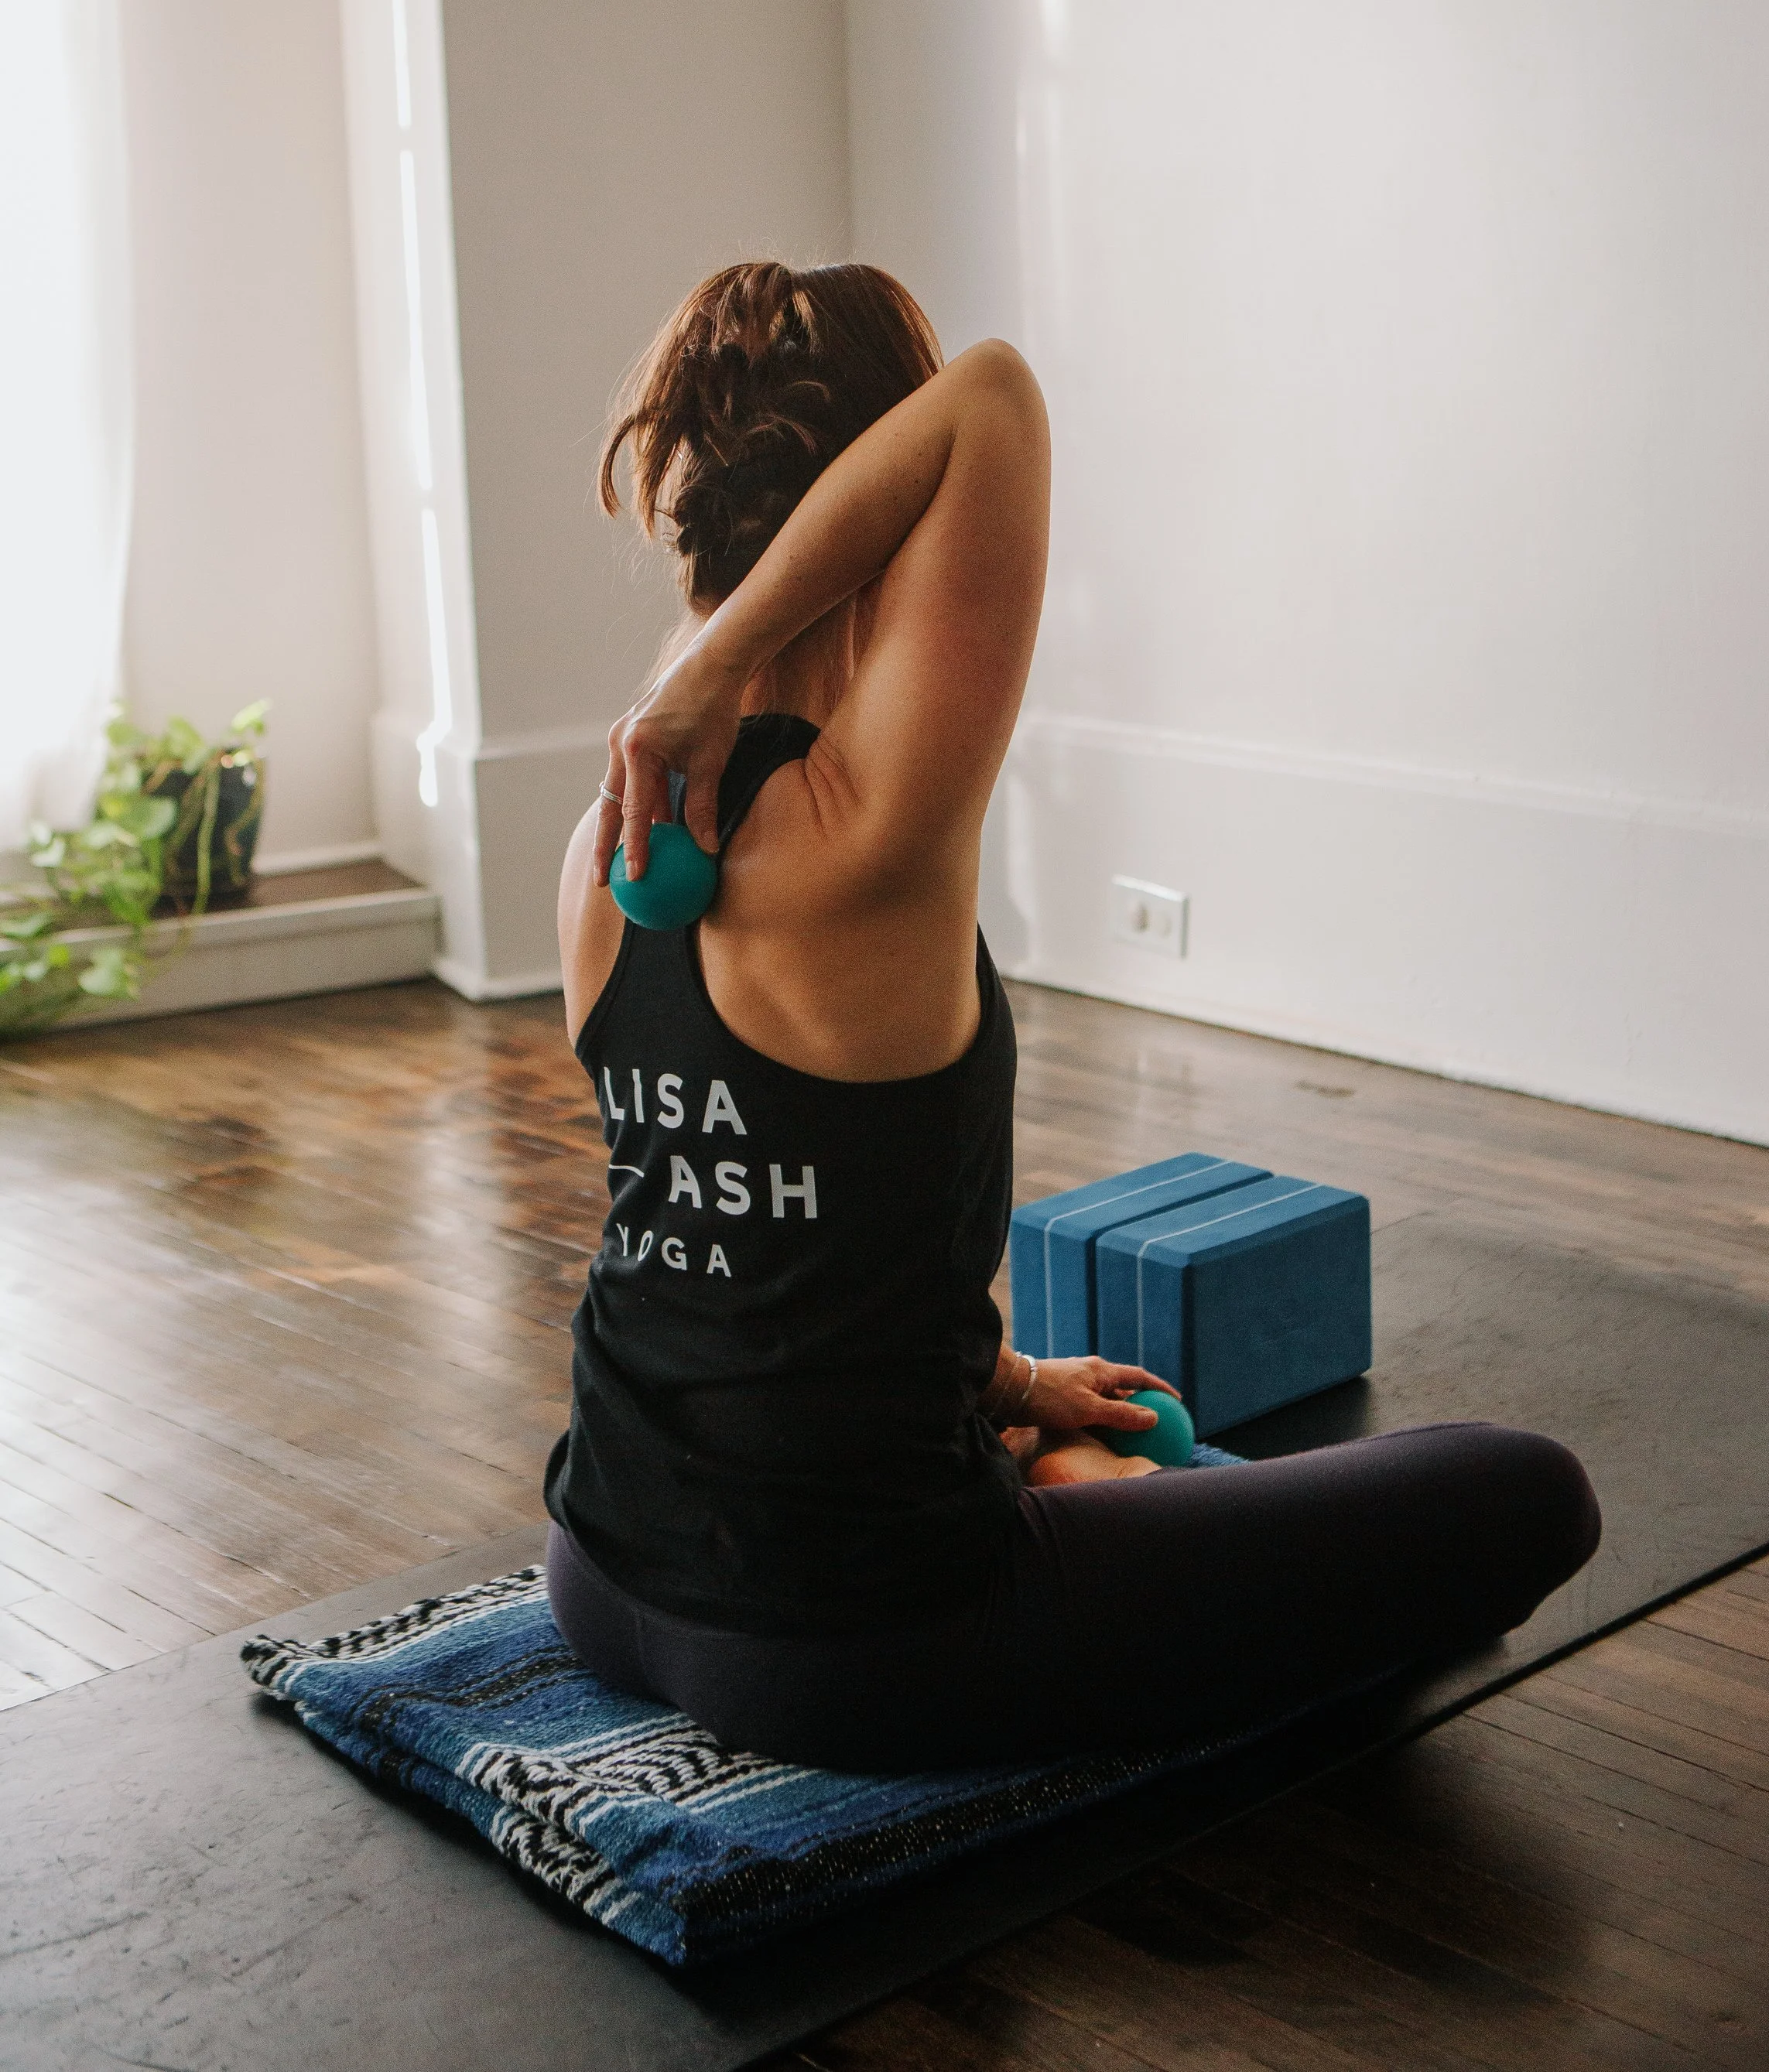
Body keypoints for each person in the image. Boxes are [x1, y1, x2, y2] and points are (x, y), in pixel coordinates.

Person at [546, 259, 1599, 1771]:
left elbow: (764, 1233)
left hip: (599, 1568)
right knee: (1520, 1493)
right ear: (878, 494)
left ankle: (1040, 1459)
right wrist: (713, 668)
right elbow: (992, 397)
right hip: (848, 1647)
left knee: (1066, 1454)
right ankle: (1071, 1499)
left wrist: (1011, 1385)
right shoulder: (865, 819)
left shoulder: (602, 853)